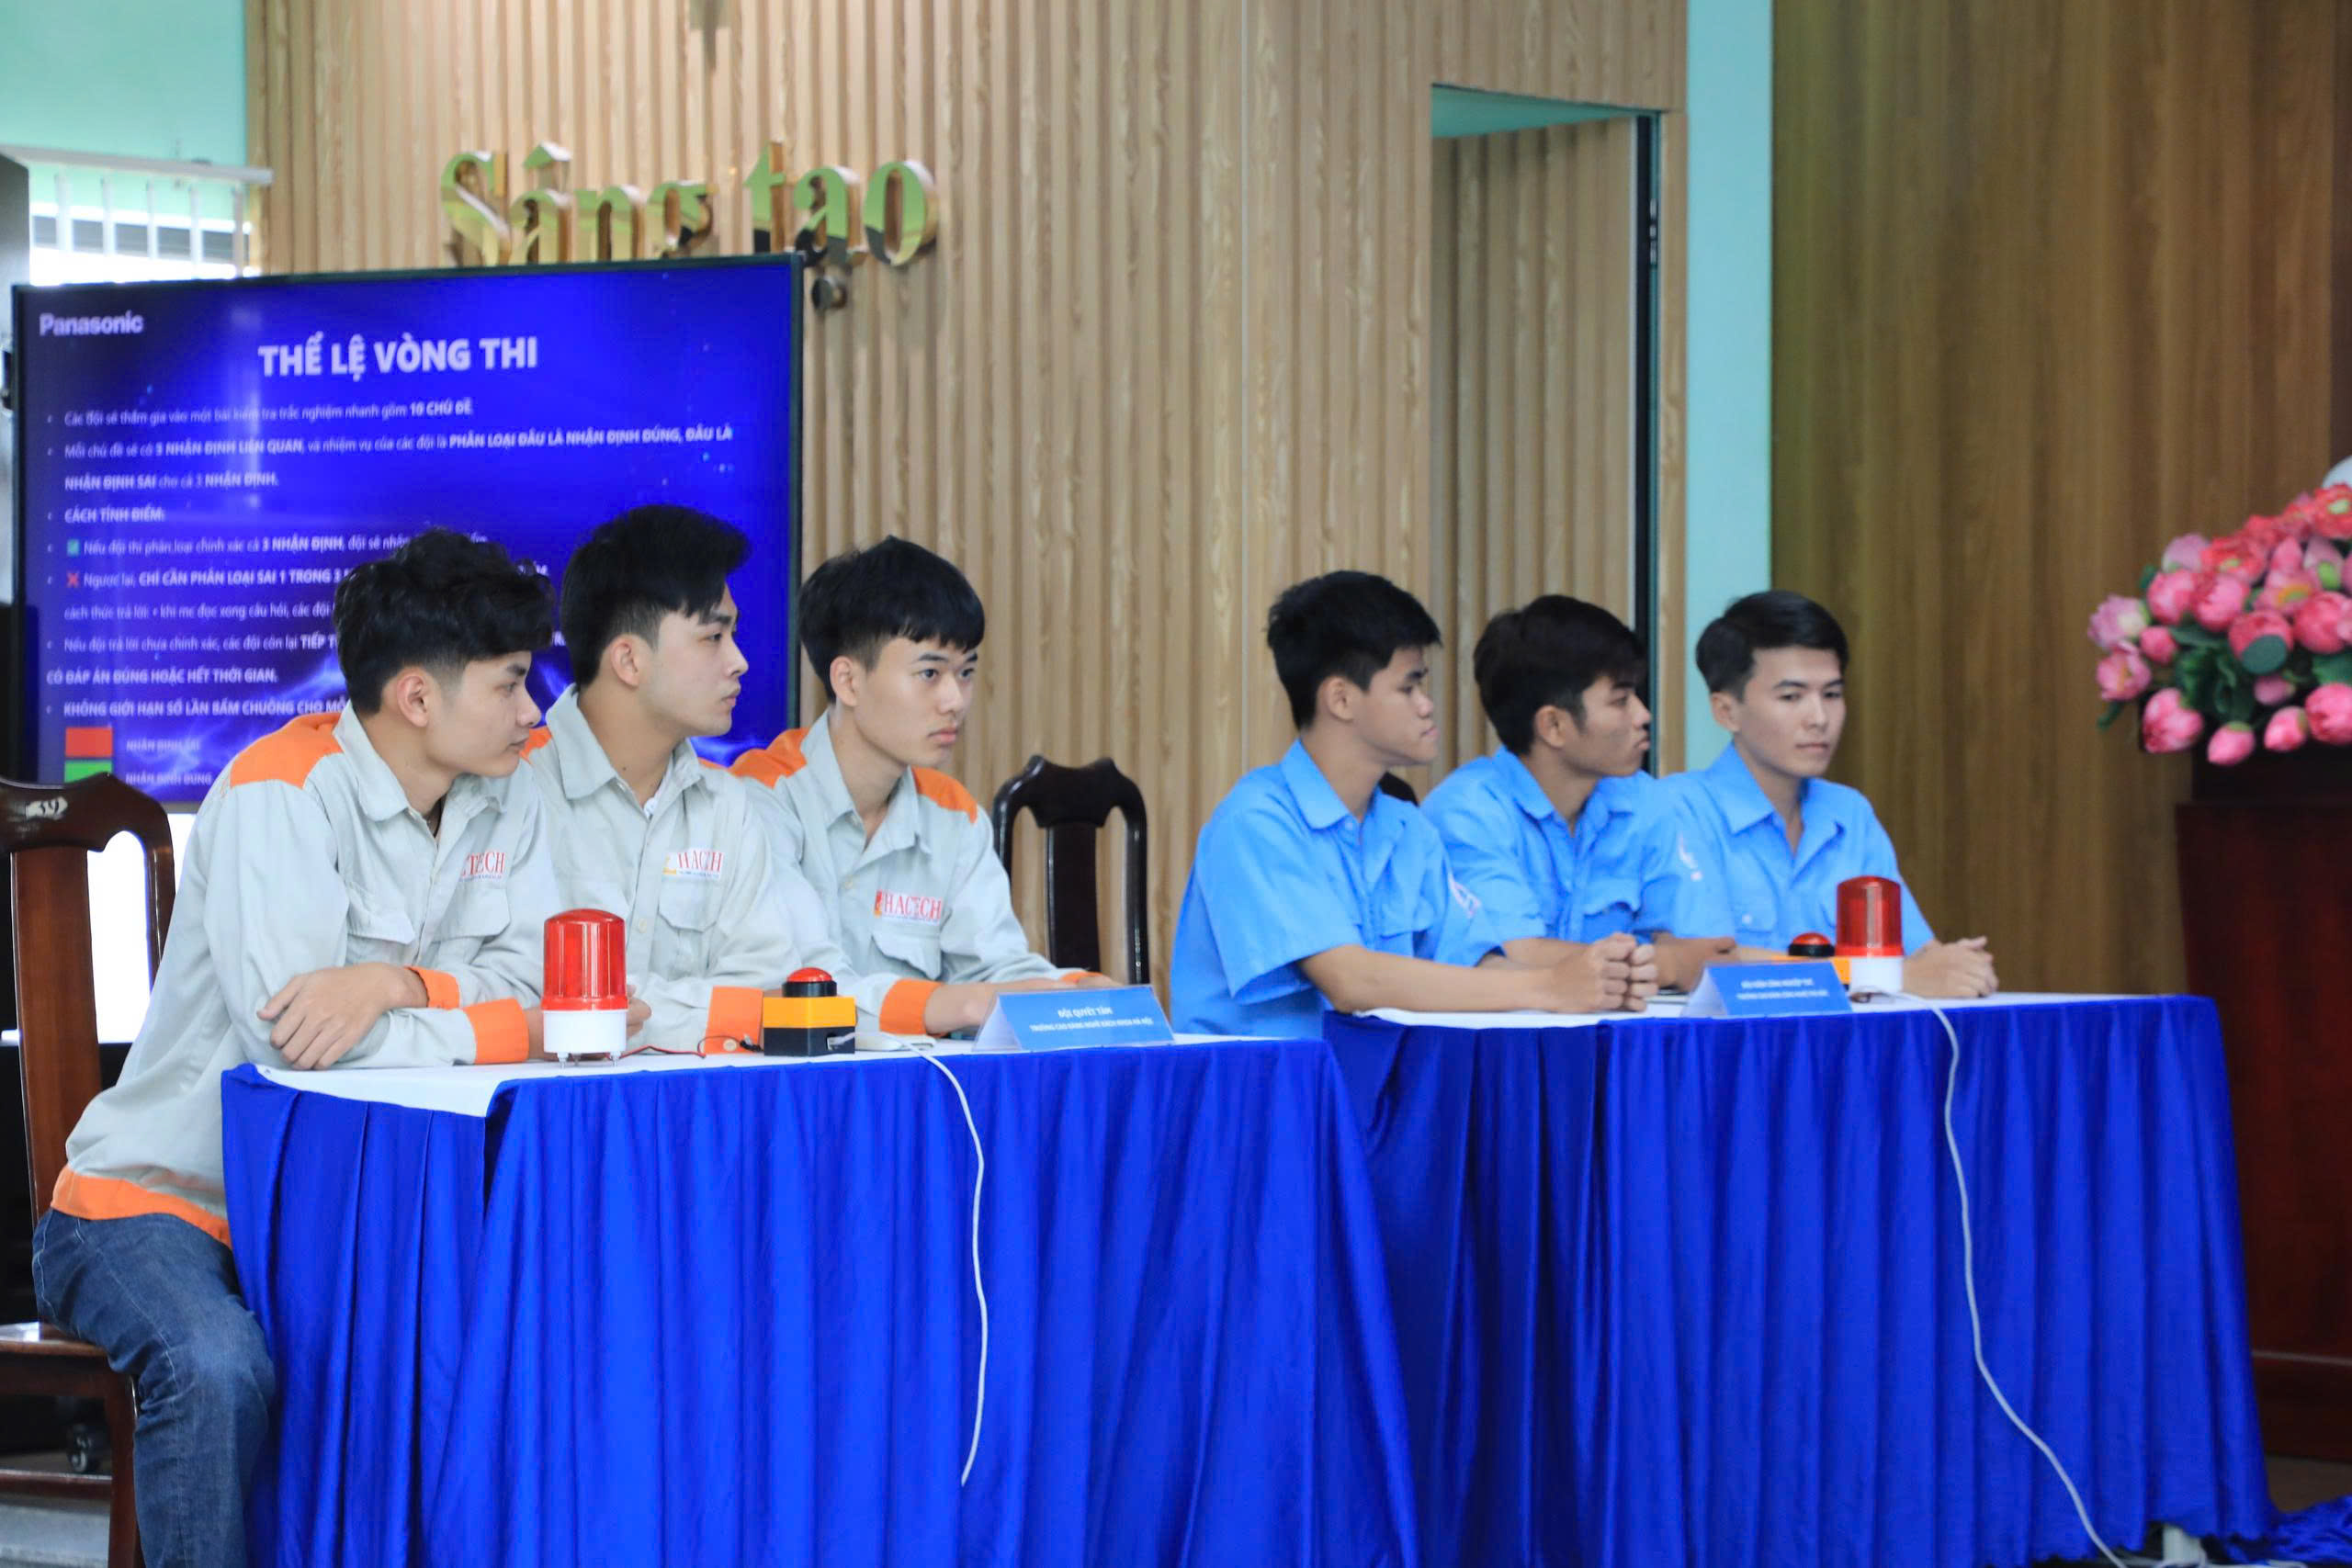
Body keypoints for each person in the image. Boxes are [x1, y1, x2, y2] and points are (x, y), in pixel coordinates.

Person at [34, 529, 561, 1567]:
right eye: (509, 683)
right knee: (216, 1365)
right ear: (417, 696)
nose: (533, 712)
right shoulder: (280, 789)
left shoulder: (510, 789)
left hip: (351, 1216)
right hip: (156, 1206)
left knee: (482, 1349)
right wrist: (476, 1015)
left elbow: (546, 994)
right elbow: (304, 1050)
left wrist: (393, 985)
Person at [1170, 570, 1657, 1039]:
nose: (1427, 705)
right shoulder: (1257, 821)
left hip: (1375, 1083)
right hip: (1269, 1088)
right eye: (1409, 687)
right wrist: (1549, 987)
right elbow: (1350, 980)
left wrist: (1596, 976)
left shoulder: (1407, 828)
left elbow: (1476, 963)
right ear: (1341, 699)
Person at [732, 537, 1113, 1037]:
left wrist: (1076, 988)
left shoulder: (954, 813)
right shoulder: (760, 798)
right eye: (930, 673)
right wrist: (963, 1004)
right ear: (848, 681)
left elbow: (993, 967)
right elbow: (806, 989)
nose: (956, 700)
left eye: (966, 672)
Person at [526, 505, 840, 1052]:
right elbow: (516, 993)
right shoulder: (519, 786)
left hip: (697, 1097)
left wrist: (619, 1012)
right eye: (713, 637)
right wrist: (707, 1015)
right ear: (629, 661)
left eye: (733, 634)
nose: (739, 661)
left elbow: (768, 993)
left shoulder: (726, 804)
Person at [1665, 589, 1997, 998]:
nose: (1819, 718)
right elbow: (1711, 963)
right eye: (1791, 697)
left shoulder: (1849, 813)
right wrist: (1883, 978)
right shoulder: (1679, 809)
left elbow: (1918, 954)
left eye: (1832, 695)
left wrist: (1956, 968)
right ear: (1726, 711)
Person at [1423, 594, 1736, 994]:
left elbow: (1707, 948)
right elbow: (1512, 954)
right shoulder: (1467, 812)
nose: (1643, 715)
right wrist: (1667, 963)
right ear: (1553, 726)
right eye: (1620, 701)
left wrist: (1674, 958)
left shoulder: (1643, 799)